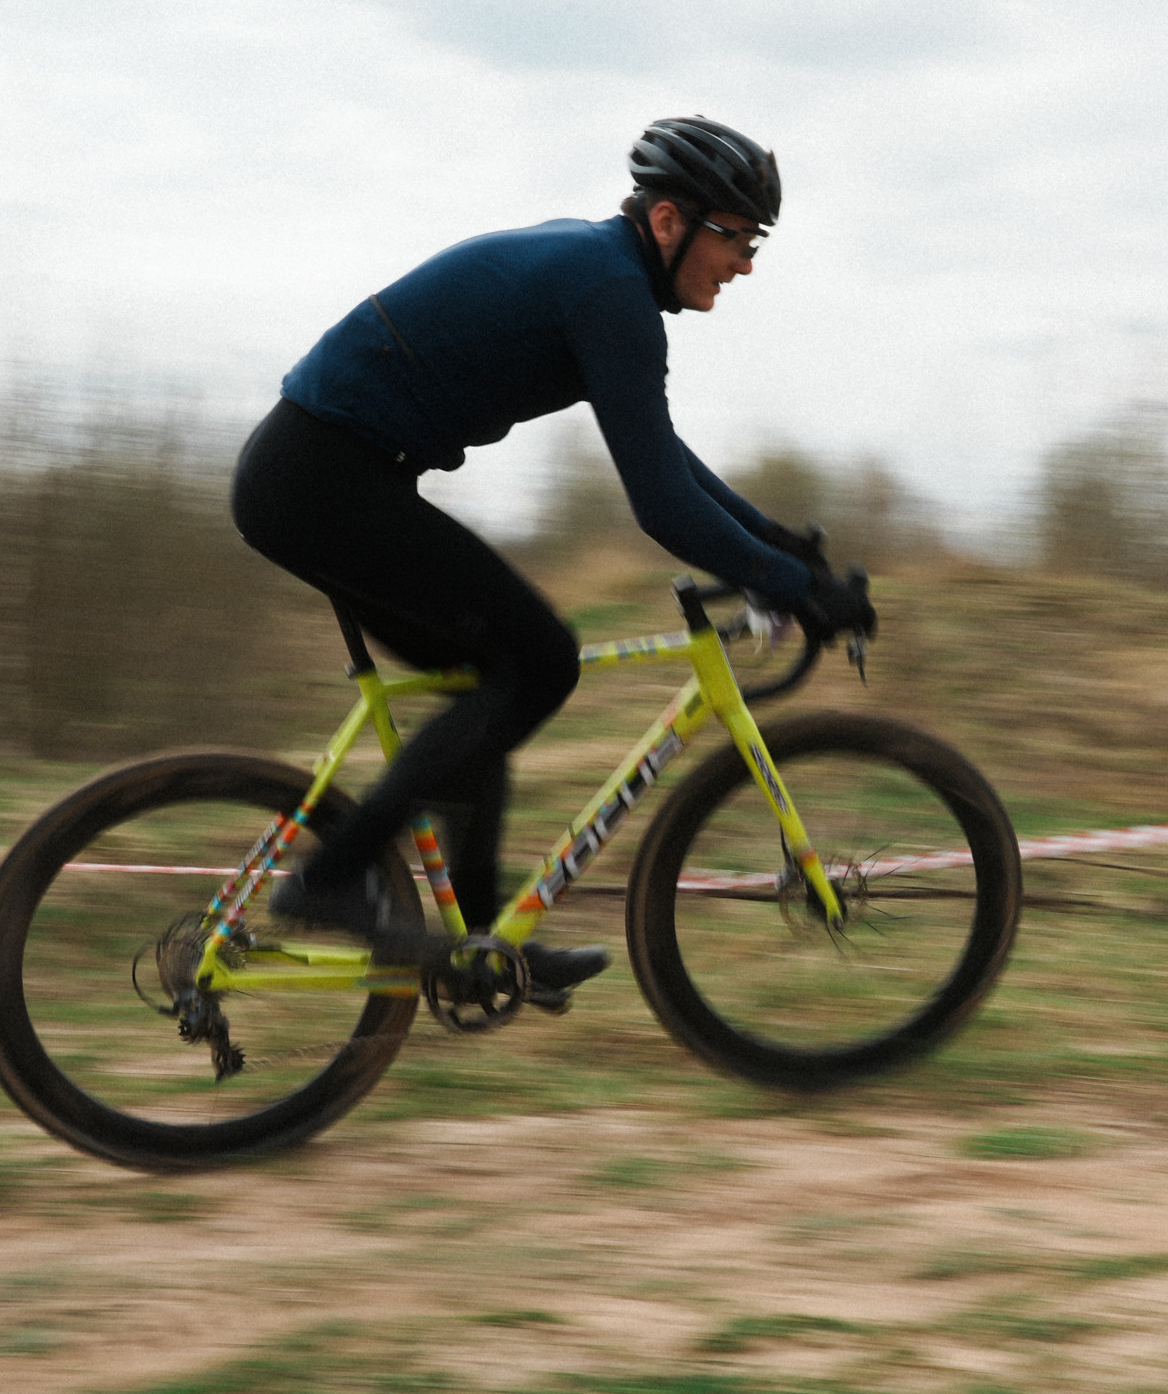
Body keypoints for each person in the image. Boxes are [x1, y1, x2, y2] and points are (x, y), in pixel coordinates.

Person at [229, 116, 876, 1007]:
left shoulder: (604, 277)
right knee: (539, 661)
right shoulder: (607, 292)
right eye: (734, 237)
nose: (747, 263)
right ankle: (329, 879)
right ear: (667, 222)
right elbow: (660, 505)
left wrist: (776, 545)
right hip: (322, 479)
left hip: (318, 474)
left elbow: (665, 457)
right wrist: (793, 587)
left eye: (753, 242)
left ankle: (478, 948)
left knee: (490, 674)